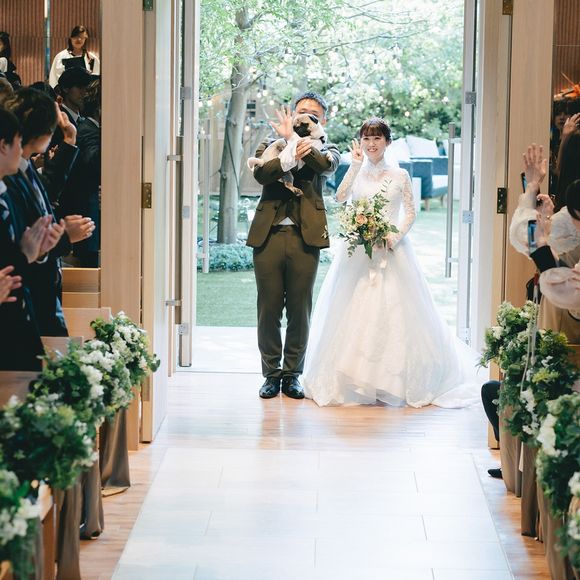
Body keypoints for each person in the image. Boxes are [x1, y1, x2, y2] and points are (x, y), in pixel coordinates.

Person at [303, 117, 479, 407]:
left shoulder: (400, 175)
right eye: (366, 139)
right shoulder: (357, 170)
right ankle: (356, 378)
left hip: (391, 250)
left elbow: (410, 212)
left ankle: (392, 380)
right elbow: (341, 197)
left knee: (395, 311)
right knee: (353, 311)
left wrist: (393, 237)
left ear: (387, 142)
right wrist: (355, 166)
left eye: (377, 138)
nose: (371, 144)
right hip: (359, 253)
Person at [246, 92, 341, 399]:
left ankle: (292, 375)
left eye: (314, 115)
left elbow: (323, 167)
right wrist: (286, 142)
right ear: (292, 114)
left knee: (300, 310)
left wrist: (296, 141)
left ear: (322, 120)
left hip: (305, 237)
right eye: (302, 112)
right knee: (268, 309)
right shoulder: (269, 144)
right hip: (268, 235)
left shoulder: (328, 149)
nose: (306, 118)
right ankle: (271, 374)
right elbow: (263, 174)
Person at [3, 88, 94, 336]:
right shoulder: (10, 177)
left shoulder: (24, 167)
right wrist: (64, 237)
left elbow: (48, 188)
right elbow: (22, 243)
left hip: (42, 292)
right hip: (25, 300)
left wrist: (69, 142)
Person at [0, 108, 60, 370]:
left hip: (20, 323)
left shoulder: (5, 193)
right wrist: (25, 254)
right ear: (3, 146)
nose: (21, 150)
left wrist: (37, 251)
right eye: (18, 141)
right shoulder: (10, 190)